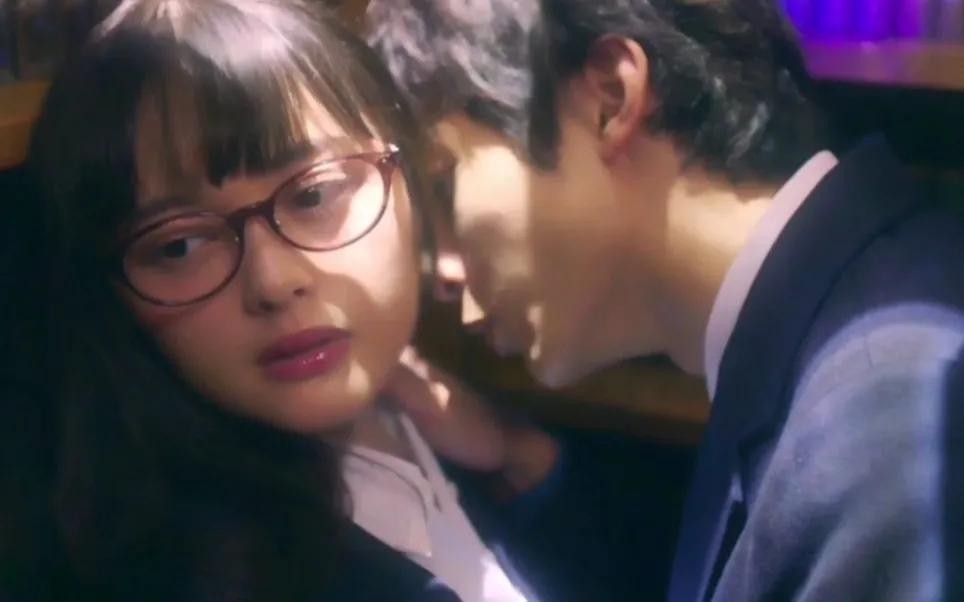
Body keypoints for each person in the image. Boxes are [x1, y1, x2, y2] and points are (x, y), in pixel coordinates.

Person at [1, 0, 690, 599]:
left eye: (314, 195)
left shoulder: (426, 422)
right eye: (178, 245)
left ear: (408, 173)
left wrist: (519, 458)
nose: (274, 282)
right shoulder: (187, 564)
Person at [367, 1, 964, 600]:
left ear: (609, 100)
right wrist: (522, 459)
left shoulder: (886, 424)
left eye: (444, 183)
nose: (440, 271)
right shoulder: (841, 330)